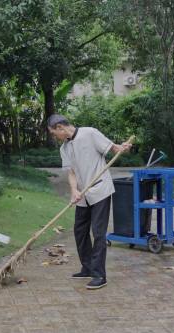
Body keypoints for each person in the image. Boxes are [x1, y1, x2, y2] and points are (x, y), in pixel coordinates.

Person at [47, 114, 132, 290]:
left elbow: (115, 149)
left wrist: (123, 148)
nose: (54, 137)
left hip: (100, 190)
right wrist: (74, 191)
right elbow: (70, 173)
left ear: (61, 127)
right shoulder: (64, 148)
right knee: (79, 230)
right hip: (82, 195)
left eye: (54, 133)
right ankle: (87, 267)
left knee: (98, 232)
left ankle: (100, 275)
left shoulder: (90, 133)